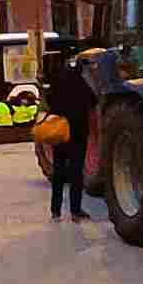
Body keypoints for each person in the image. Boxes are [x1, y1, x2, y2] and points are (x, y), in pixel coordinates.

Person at [43, 64, 95, 220]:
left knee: (58, 171)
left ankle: (55, 210)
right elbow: (93, 102)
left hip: (59, 133)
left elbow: (49, 101)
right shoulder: (82, 85)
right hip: (78, 134)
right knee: (76, 172)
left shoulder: (57, 85)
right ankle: (75, 211)